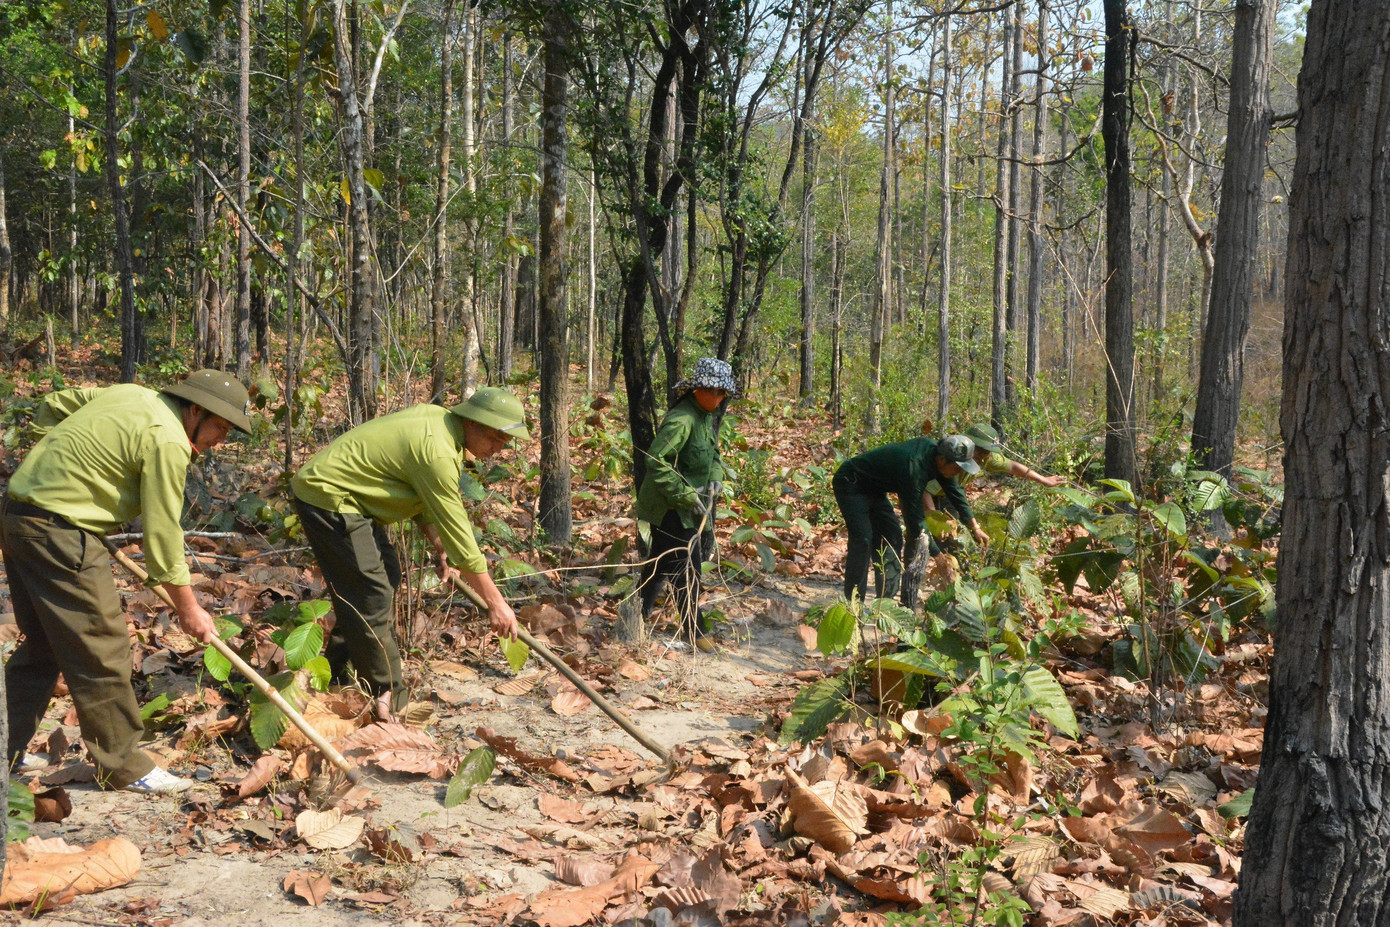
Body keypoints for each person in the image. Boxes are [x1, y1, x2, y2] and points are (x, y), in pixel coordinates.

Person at [2, 370, 253, 794]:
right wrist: (188, 607)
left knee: (44, 643)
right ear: (195, 410)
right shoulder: (168, 440)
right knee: (102, 648)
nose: (219, 441)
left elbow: (55, 404)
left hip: (18, 515)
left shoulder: (131, 394)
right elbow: (163, 533)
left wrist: (61, 467)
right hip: (60, 534)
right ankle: (124, 766)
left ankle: (6, 749)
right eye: (219, 428)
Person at [290, 387, 525, 721]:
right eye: (496, 439)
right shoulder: (439, 452)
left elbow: (423, 499)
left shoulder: (442, 428)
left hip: (351, 501)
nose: (498, 450)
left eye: (505, 443)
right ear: (474, 424)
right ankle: (388, 697)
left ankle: (337, 673)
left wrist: (439, 546)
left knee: (384, 575)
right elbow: (462, 538)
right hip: (330, 497)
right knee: (371, 590)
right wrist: (496, 603)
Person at [634, 358, 734, 648]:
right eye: (713, 391)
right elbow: (656, 461)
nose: (718, 398)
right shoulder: (682, 419)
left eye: (722, 393)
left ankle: (634, 614)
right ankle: (695, 631)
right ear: (697, 389)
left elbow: (713, 454)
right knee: (686, 568)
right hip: (670, 507)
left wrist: (715, 477)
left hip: (688, 508)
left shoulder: (704, 416)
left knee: (660, 564)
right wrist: (686, 496)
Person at [833, 433, 989, 605]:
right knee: (863, 539)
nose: (959, 472)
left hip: (875, 490)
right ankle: (854, 604)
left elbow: (956, 492)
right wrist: (939, 558)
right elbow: (916, 522)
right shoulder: (913, 468)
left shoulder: (938, 457)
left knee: (892, 538)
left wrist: (975, 527)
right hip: (851, 484)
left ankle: (886, 604)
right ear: (943, 460)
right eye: (958, 468)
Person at [962, 423, 1065, 489]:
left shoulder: (988, 458)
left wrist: (1043, 480)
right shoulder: (953, 454)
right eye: (979, 450)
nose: (981, 456)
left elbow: (1013, 467)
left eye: (986, 452)